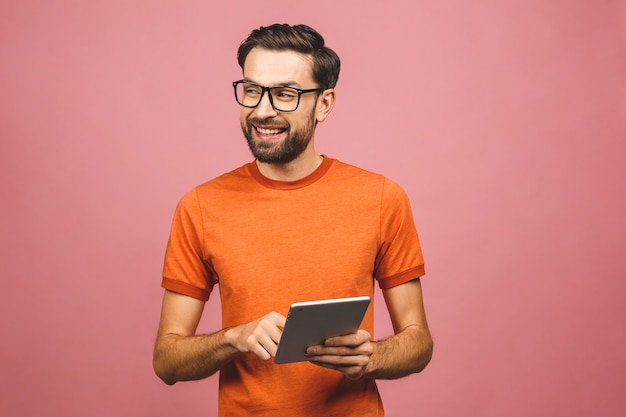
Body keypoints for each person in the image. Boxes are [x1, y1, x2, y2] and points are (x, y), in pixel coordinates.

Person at [153, 23, 433, 416]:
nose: (262, 110)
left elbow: (419, 343)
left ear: (324, 104)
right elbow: (166, 360)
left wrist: (372, 356)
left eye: (285, 94)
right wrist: (234, 338)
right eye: (252, 90)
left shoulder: (382, 198)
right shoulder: (199, 206)